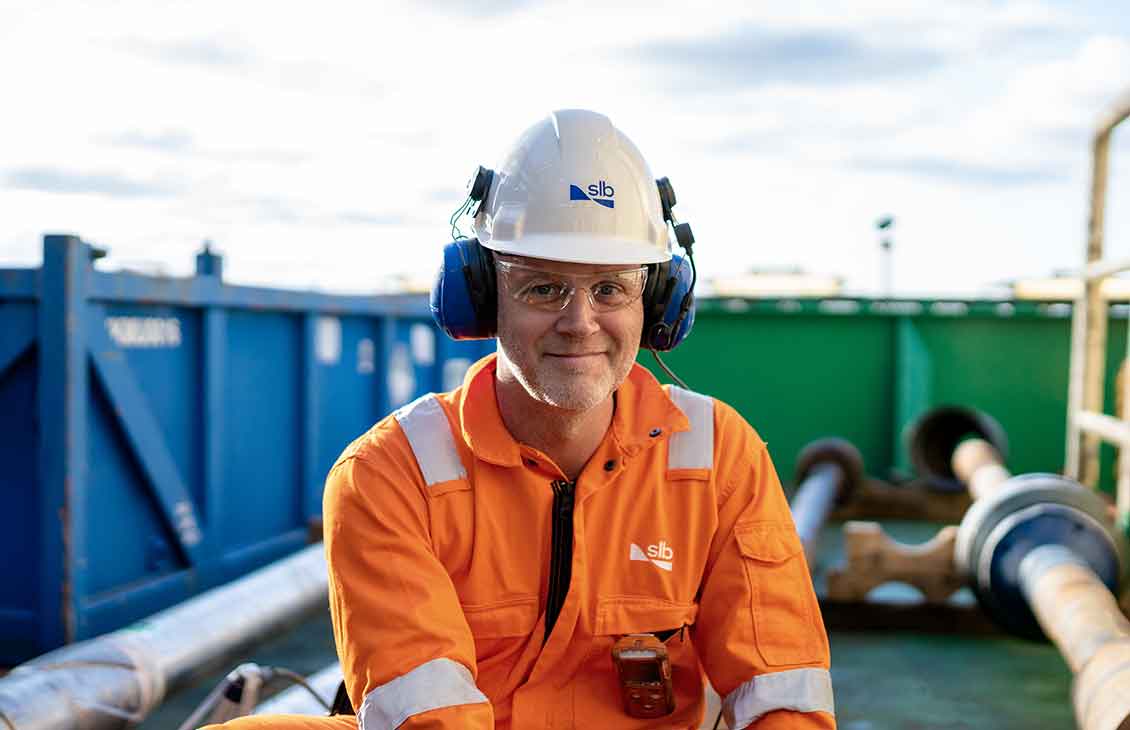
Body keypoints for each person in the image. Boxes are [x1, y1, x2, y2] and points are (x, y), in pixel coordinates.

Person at [205, 109, 834, 729]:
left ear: (658, 302)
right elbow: (430, 720)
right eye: (543, 288)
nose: (580, 323)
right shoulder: (390, 474)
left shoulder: (717, 456)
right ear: (482, 297)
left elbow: (783, 690)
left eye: (610, 289)